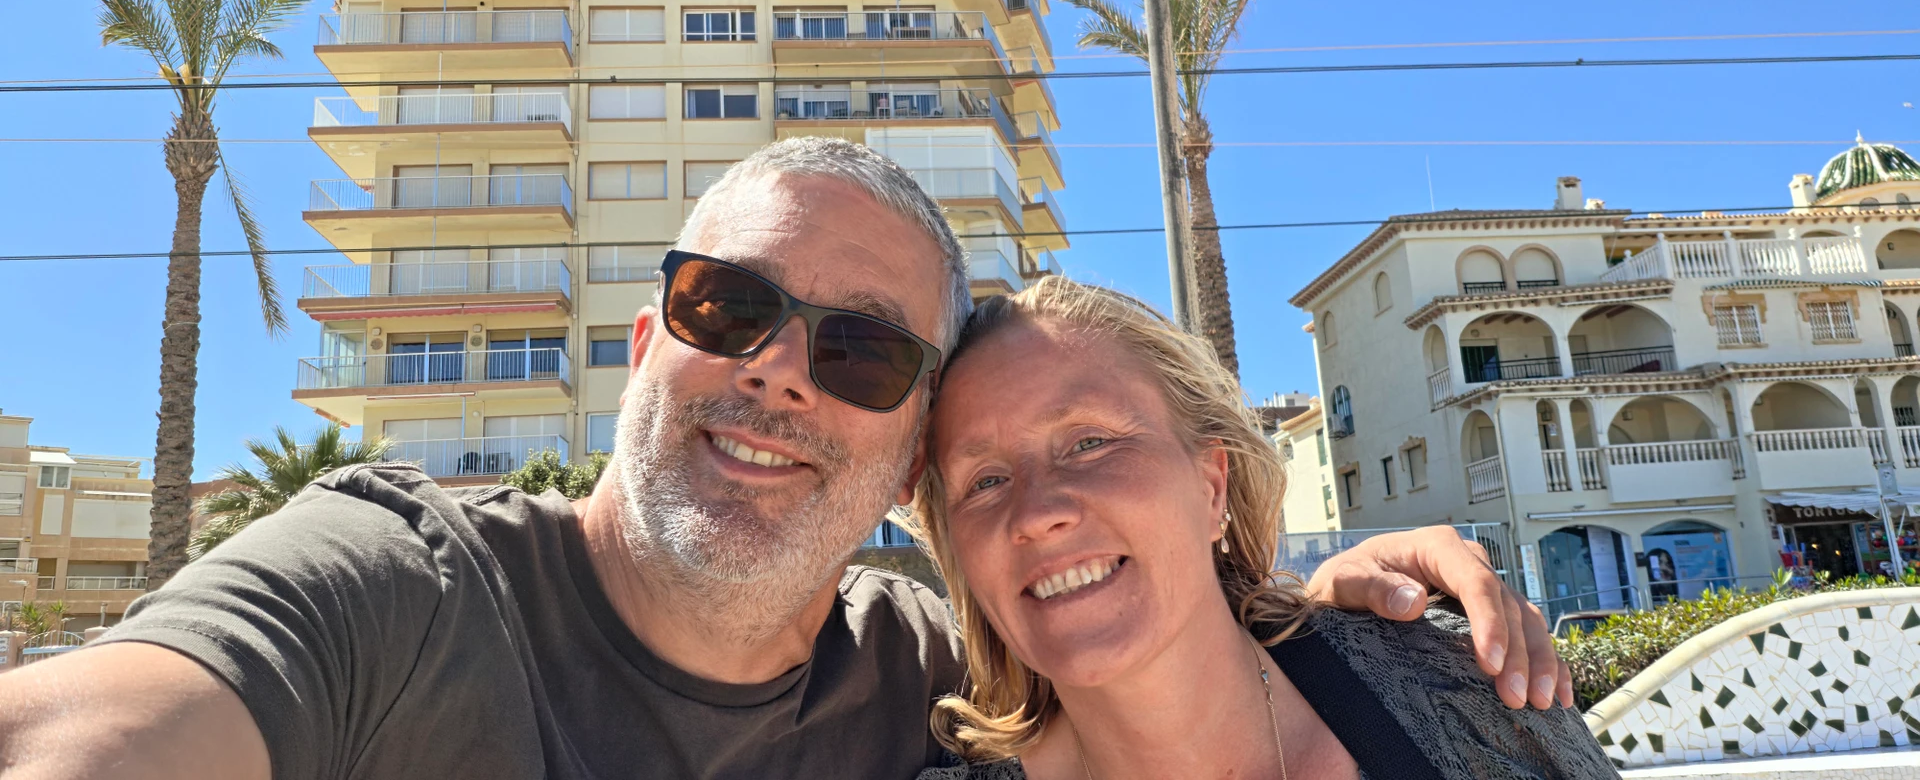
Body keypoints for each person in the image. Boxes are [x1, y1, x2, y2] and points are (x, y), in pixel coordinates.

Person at [0, 138, 1565, 779]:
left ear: (900, 463)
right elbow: (105, 726)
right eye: (727, 305)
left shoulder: (919, 676)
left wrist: (1313, 609)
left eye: (860, 351)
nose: (776, 369)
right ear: (646, 341)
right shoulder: (394, 589)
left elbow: (1133, 624)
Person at [910, 278, 1609, 780]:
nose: (1037, 512)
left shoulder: (1465, 692)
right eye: (985, 481)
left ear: (1211, 486)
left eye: (1089, 442)